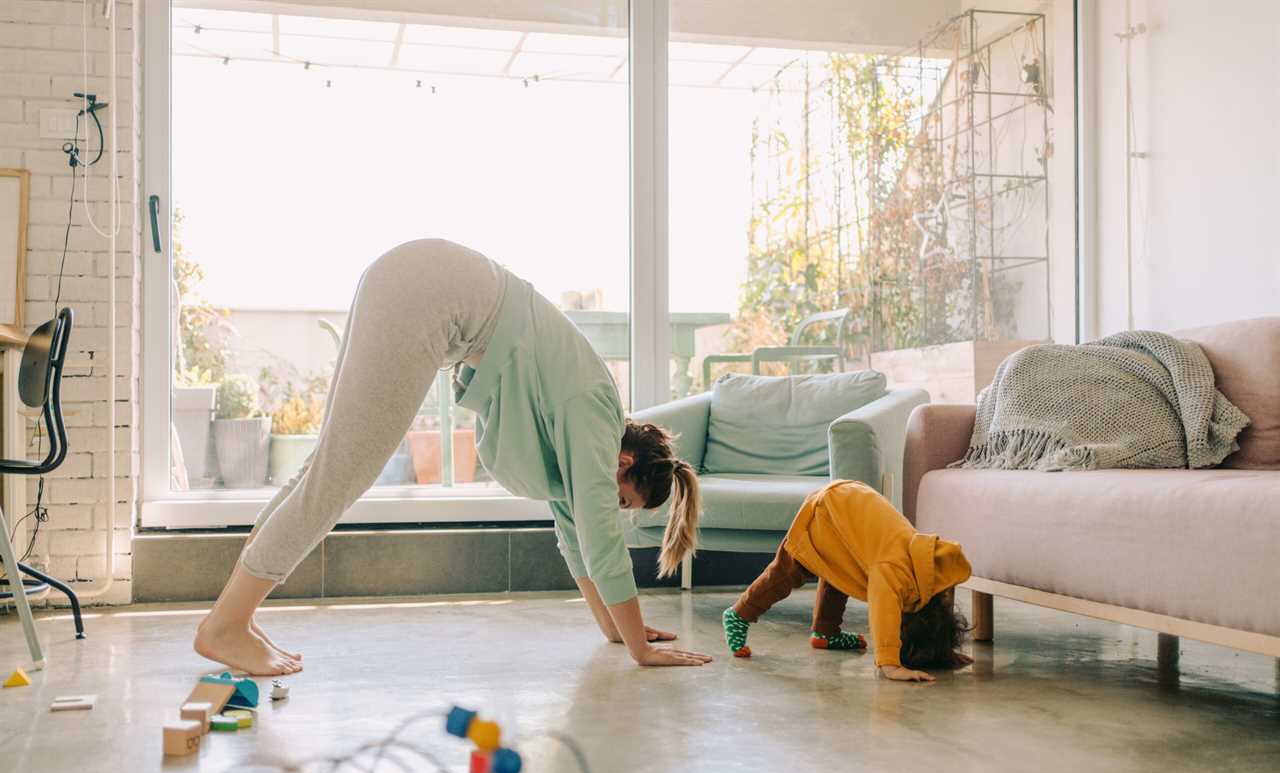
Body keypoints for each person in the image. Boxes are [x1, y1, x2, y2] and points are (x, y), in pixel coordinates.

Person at [193, 239, 711, 675]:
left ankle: (233, 616)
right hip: (425, 295)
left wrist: (614, 627)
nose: (610, 505)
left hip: (413, 280)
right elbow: (597, 536)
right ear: (623, 463)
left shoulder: (583, 409)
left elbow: (574, 531)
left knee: (324, 467)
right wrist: (641, 651)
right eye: (622, 500)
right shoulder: (594, 411)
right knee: (339, 475)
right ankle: (228, 624)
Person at [722, 480, 973, 682]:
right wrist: (890, 664)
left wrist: (944, 653)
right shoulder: (893, 571)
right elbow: (884, 611)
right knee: (787, 571)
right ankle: (739, 613)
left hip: (850, 502)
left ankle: (826, 633)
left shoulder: (928, 568)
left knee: (845, 571)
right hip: (825, 510)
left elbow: (941, 607)